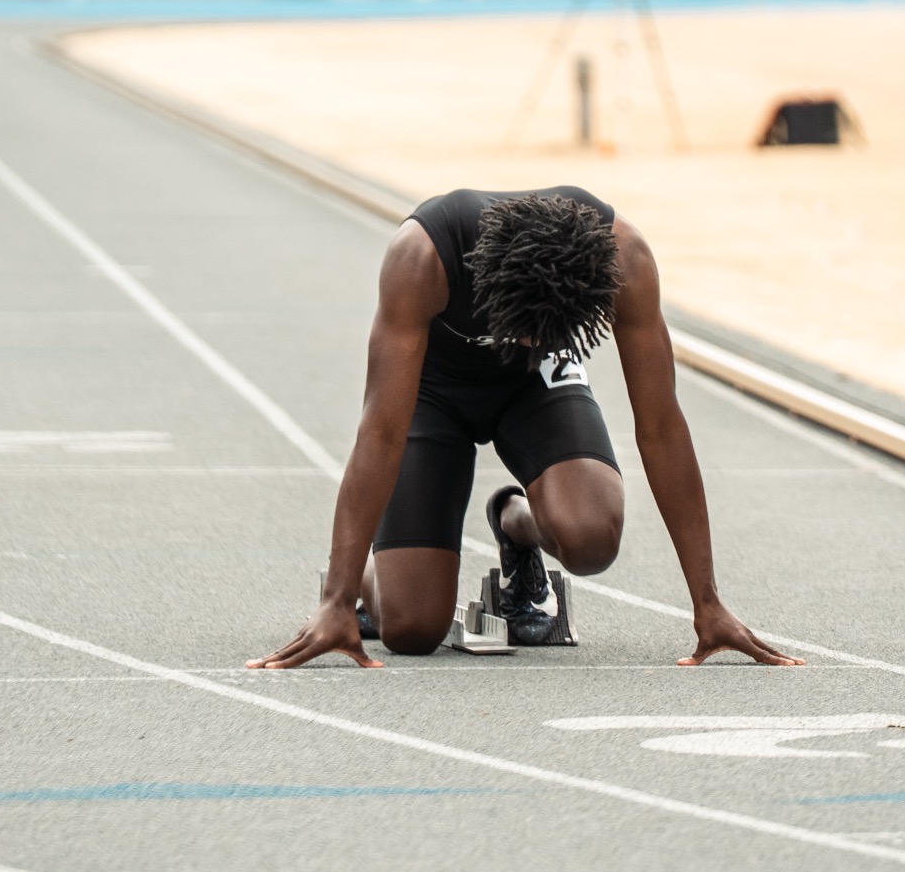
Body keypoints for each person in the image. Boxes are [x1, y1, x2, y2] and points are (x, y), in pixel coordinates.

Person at [248, 188, 801, 670]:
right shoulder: (422, 257)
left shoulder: (623, 255)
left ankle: (515, 524)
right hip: (434, 390)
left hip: (534, 386)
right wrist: (337, 599)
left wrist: (707, 602)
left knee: (591, 540)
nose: (530, 343)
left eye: (548, 333)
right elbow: (381, 433)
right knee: (412, 630)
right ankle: (364, 579)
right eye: (523, 331)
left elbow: (660, 427)